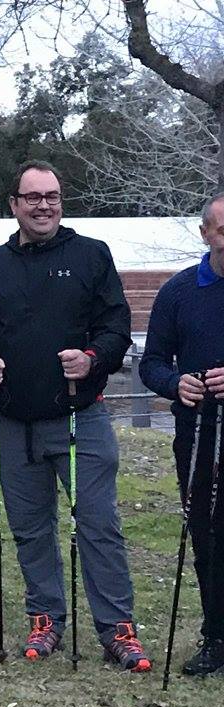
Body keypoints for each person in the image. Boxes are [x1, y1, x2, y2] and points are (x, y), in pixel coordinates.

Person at [0, 159, 151, 672]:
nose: (44, 206)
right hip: (15, 424)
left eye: (53, 196)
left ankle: (117, 629)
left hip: (80, 419)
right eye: (33, 197)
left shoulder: (91, 255)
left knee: (98, 526)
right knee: (31, 529)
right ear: (14, 204)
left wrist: (92, 359)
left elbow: (116, 326)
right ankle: (45, 618)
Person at [139, 191, 224, 676]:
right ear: (205, 233)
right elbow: (151, 363)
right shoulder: (178, 292)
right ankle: (217, 636)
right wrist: (176, 384)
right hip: (200, 434)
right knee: (208, 537)